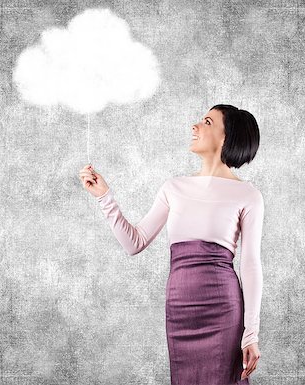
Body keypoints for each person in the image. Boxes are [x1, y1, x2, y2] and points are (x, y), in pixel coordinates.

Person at [79, 104, 264, 385]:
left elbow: (250, 264)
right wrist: (105, 197)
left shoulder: (248, 194)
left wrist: (251, 332)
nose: (195, 126)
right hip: (180, 308)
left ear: (226, 136)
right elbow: (134, 242)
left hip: (224, 309)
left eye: (207, 122)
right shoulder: (173, 187)